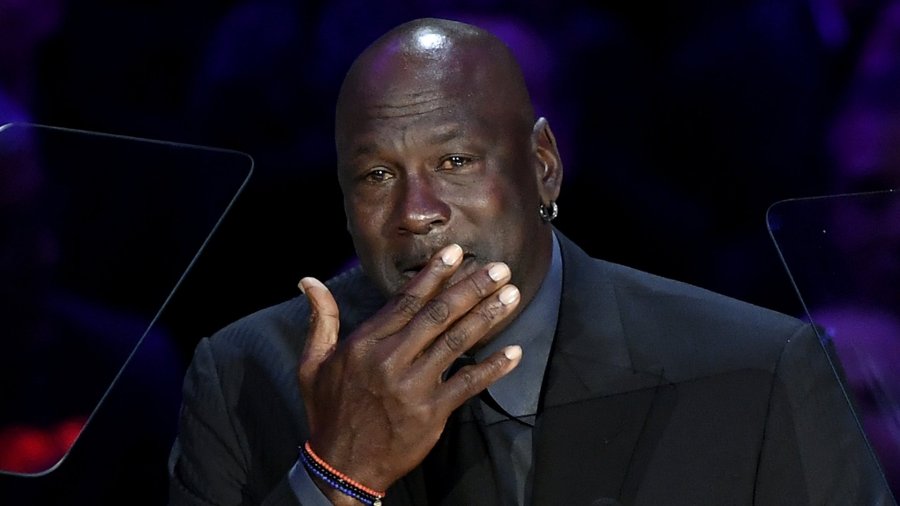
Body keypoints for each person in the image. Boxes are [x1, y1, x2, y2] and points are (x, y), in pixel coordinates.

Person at [167, 17, 894, 505]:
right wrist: (336, 477)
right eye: (377, 176)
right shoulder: (241, 373)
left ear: (543, 167)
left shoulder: (759, 369)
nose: (415, 210)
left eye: (454, 161)